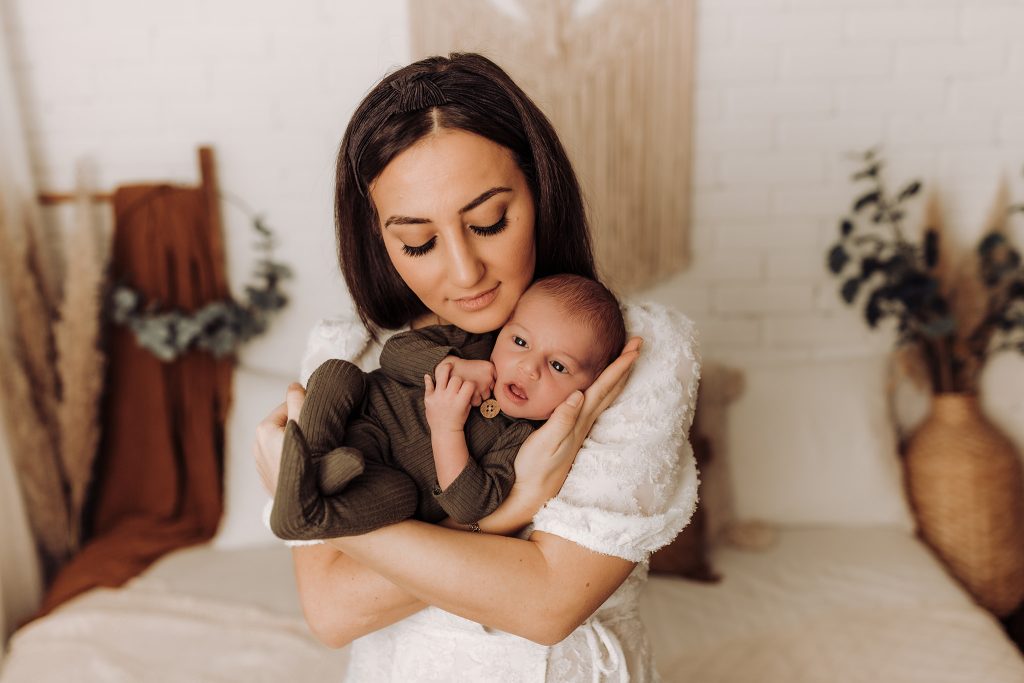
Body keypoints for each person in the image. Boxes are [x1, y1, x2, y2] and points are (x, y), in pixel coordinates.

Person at [252, 52, 700, 681]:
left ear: (540, 194)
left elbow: (548, 604)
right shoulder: (348, 348)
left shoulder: (627, 353)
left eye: (488, 222)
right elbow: (332, 612)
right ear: (380, 238)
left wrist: (296, 494)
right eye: (419, 242)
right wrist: (514, 511)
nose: (464, 273)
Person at [269, 274, 627, 540]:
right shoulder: (474, 346)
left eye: (558, 366)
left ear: (585, 389)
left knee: (401, 501)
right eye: (519, 341)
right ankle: (313, 463)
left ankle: (303, 515)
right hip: (361, 411)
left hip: (385, 476)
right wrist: (450, 364)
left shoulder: (522, 439)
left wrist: (447, 430)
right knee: (337, 373)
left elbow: (471, 506)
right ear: (504, 329)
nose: (528, 367)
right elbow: (394, 355)